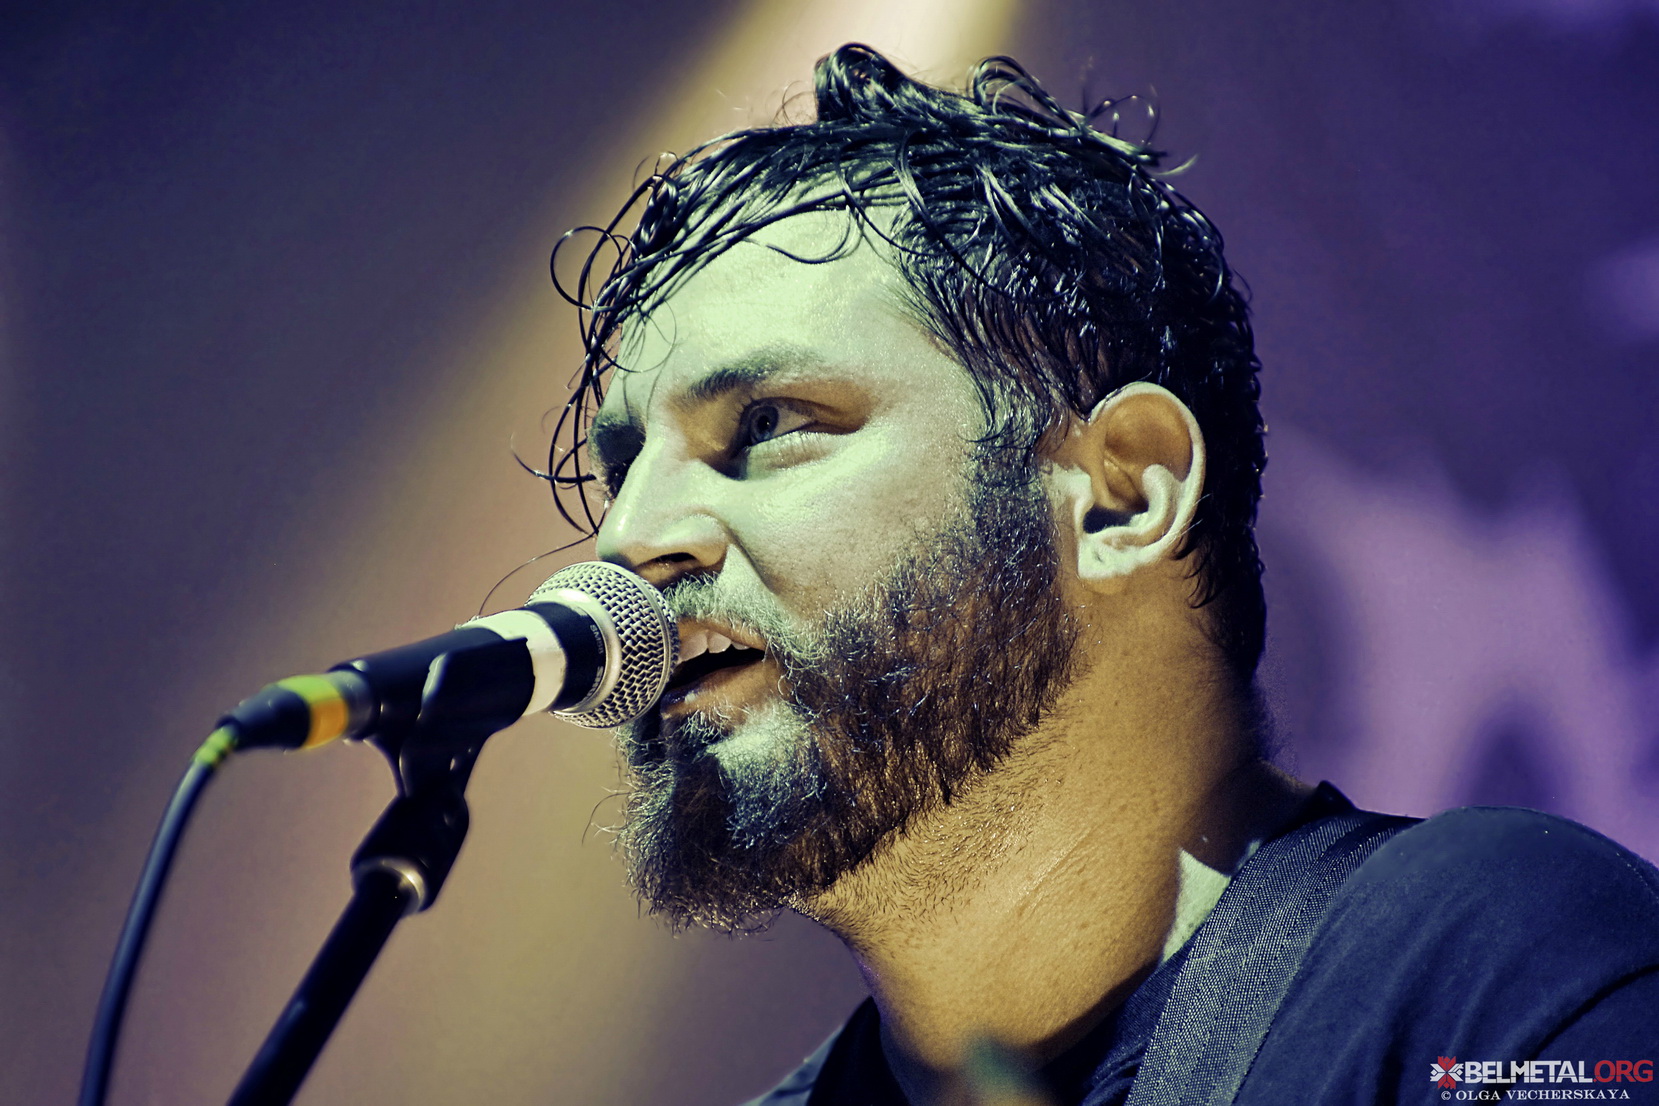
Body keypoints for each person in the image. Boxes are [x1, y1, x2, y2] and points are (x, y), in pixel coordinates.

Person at [546, 44, 1659, 1106]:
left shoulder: (1499, 974)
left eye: (770, 422)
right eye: (623, 466)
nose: (628, 537)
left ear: (1123, 491)